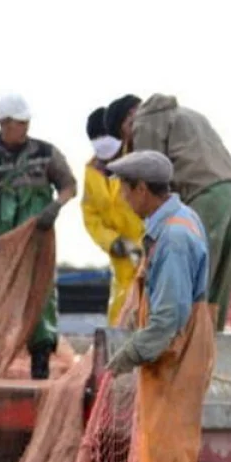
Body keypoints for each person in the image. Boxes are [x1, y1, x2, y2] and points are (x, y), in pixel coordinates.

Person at [103, 150, 217, 462]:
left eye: (124, 188)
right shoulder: (178, 220)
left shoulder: (173, 236)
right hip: (172, 357)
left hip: (176, 355)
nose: (121, 197)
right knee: (158, 451)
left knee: (167, 456)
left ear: (141, 189)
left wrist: (126, 355)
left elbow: (168, 320)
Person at [105, 93, 231, 330]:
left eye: (125, 137)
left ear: (127, 121)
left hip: (205, 193)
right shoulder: (188, 115)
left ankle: (185, 354)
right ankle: (212, 347)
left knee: (189, 281)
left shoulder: (144, 123)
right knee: (218, 283)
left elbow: (150, 187)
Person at [0, 93, 77, 379]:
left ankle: (40, 355)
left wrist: (54, 207)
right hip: (3, 239)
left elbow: (68, 185)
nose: (25, 127)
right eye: (20, 123)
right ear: (3, 124)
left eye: (27, 122)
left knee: (40, 294)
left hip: (37, 237)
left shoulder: (45, 153)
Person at [80, 106, 144, 325]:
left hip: (149, 254)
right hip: (122, 262)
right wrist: (114, 242)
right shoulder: (91, 175)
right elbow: (91, 217)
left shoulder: (137, 161)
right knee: (119, 320)